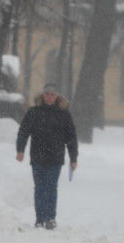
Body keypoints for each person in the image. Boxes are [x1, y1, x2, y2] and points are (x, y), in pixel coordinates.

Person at [15, 83, 78, 229]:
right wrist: (20, 150)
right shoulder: (33, 112)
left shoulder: (64, 114)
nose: (50, 97)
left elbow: (71, 138)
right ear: (43, 96)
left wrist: (73, 158)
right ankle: (40, 218)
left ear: (57, 97)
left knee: (51, 187)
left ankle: (50, 218)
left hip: (56, 157)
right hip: (37, 156)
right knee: (39, 188)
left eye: (53, 94)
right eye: (47, 94)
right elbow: (23, 132)